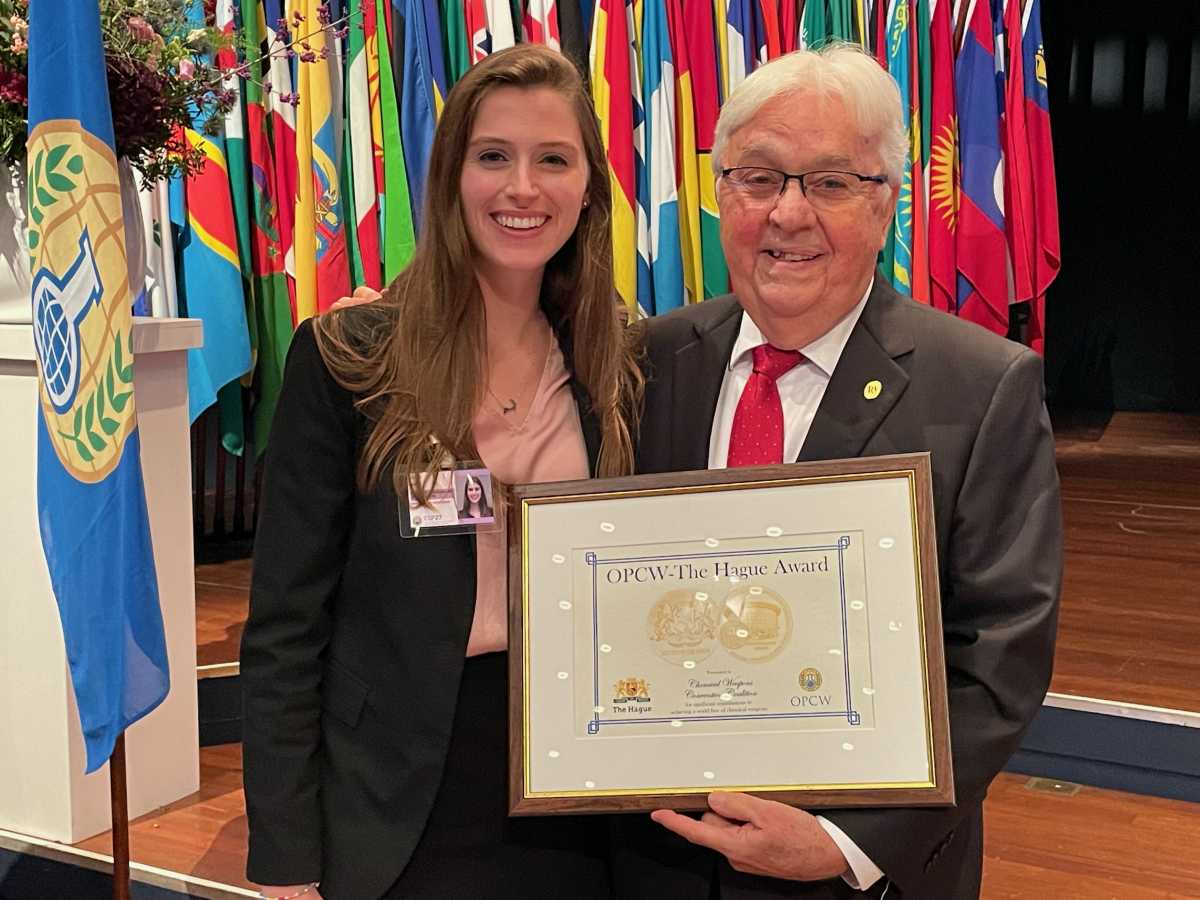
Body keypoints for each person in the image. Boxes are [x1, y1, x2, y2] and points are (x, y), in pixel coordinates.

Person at [615, 44, 1063, 900]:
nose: (787, 214)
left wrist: (848, 844)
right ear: (719, 194)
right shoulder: (650, 361)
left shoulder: (981, 385)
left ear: (887, 202)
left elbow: (1001, 656)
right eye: (759, 177)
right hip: (657, 859)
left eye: (830, 182)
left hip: (856, 877)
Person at [240, 45, 642, 900]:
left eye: (553, 160)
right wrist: (283, 861)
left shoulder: (619, 358)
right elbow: (284, 628)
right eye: (492, 156)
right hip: (394, 782)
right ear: (451, 175)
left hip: (578, 775)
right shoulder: (349, 357)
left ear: (588, 186)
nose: (522, 189)